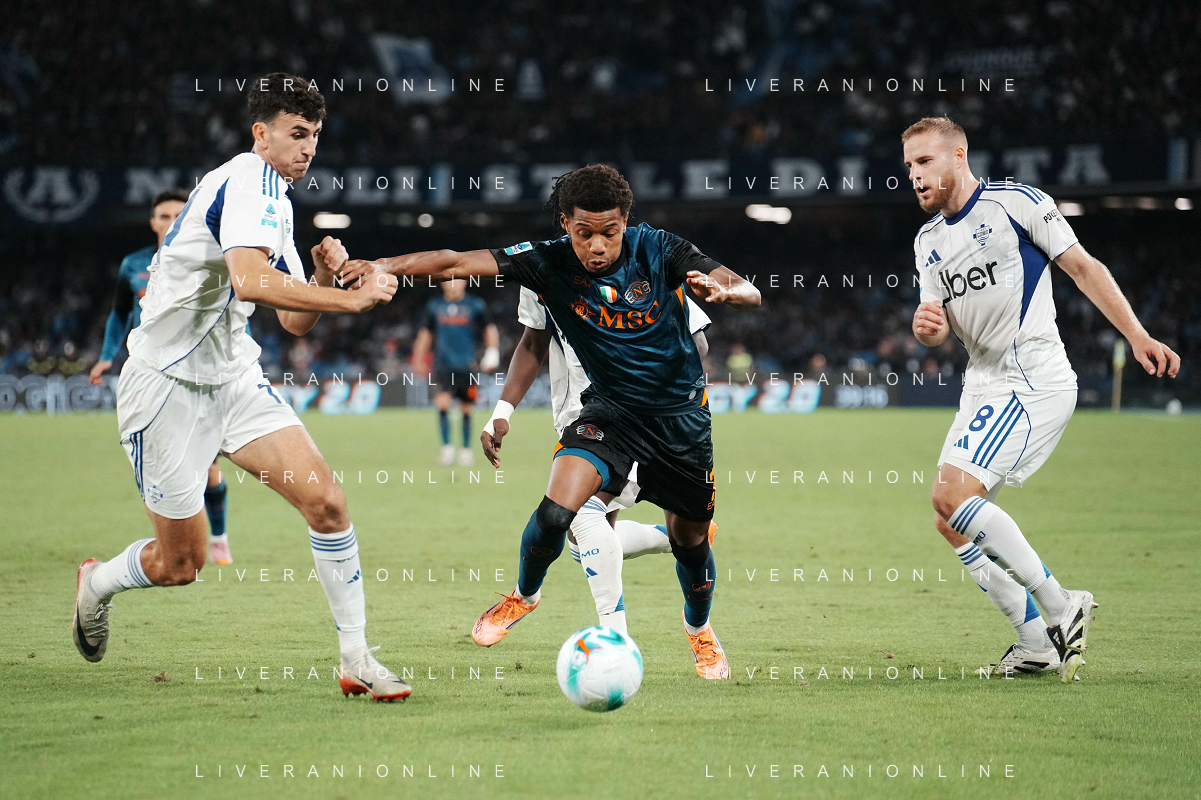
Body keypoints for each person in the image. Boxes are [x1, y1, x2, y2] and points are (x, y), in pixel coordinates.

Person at [343, 164, 761, 679]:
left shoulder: (659, 249)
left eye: (610, 232)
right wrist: (382, 264)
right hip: (608, 414)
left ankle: (699, 628)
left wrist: (734, 293)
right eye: (584, 233)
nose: (597, 247)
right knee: (559, 511)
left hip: (681, 422)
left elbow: (740, 285)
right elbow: (457, 261)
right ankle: (531, 598)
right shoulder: (545, 263)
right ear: (566, 224)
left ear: (626, 222)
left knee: (690, 543)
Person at [71, 73, 410, 702]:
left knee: (328, 503)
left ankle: (357, 658)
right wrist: (352, 299)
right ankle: (98, 581)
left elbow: (292, 320)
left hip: (233, 380)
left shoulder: (275, 199)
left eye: (315, 135)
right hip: (165, 387)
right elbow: (252, 282)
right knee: (181, 565)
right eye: (297, 134)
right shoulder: (247, 181)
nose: (309, 148)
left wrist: (319, 278)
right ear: (261, 133)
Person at [904, 116, 1180, 681]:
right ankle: (1036, 643)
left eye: (925, 161)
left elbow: (1083, 268)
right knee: (950, 520)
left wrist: (1137, 335)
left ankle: (1060, 604)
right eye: (908, 166)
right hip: (982, 383)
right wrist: (926, 329)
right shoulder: (927, 242)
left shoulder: (1018, 204)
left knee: (950, 495)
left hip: (1031, 376)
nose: (915, 174)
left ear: (958, 156)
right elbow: (936, 325)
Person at [478, 284, 717, 636]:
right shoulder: (541, 272)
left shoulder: (645, 264)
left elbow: (697, 340)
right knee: (578, 538)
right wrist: (502, 410)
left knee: (583, 514)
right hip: (581, 414)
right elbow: (532, 342)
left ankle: (616, 639)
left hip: (651, 420)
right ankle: (668, 538)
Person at [89, 190, 235, 565]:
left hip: (198, 372)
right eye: (164, 216)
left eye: (178, 216)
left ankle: (218, 537)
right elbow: (120, 314)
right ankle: (173, 541)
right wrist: (106, 357)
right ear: (153, 222)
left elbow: (228, 313)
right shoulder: (134, 265)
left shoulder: (210, 259)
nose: (171, 223)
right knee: (164, 463)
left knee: (208, 464)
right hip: (151, 375)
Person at [411, 278, 499, 466]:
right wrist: (418, 357)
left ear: (465, 282)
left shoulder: (475, 304)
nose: (453, 284)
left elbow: (489, 328)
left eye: (457, 280)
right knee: (442, 405)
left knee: (466, 408)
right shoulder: (435, 306)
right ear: (442, 283)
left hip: (467, 367)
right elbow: (425, 333)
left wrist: (492, 351)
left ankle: (466, 450)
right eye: (449, 280)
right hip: (442, 366)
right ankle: (447, 449)